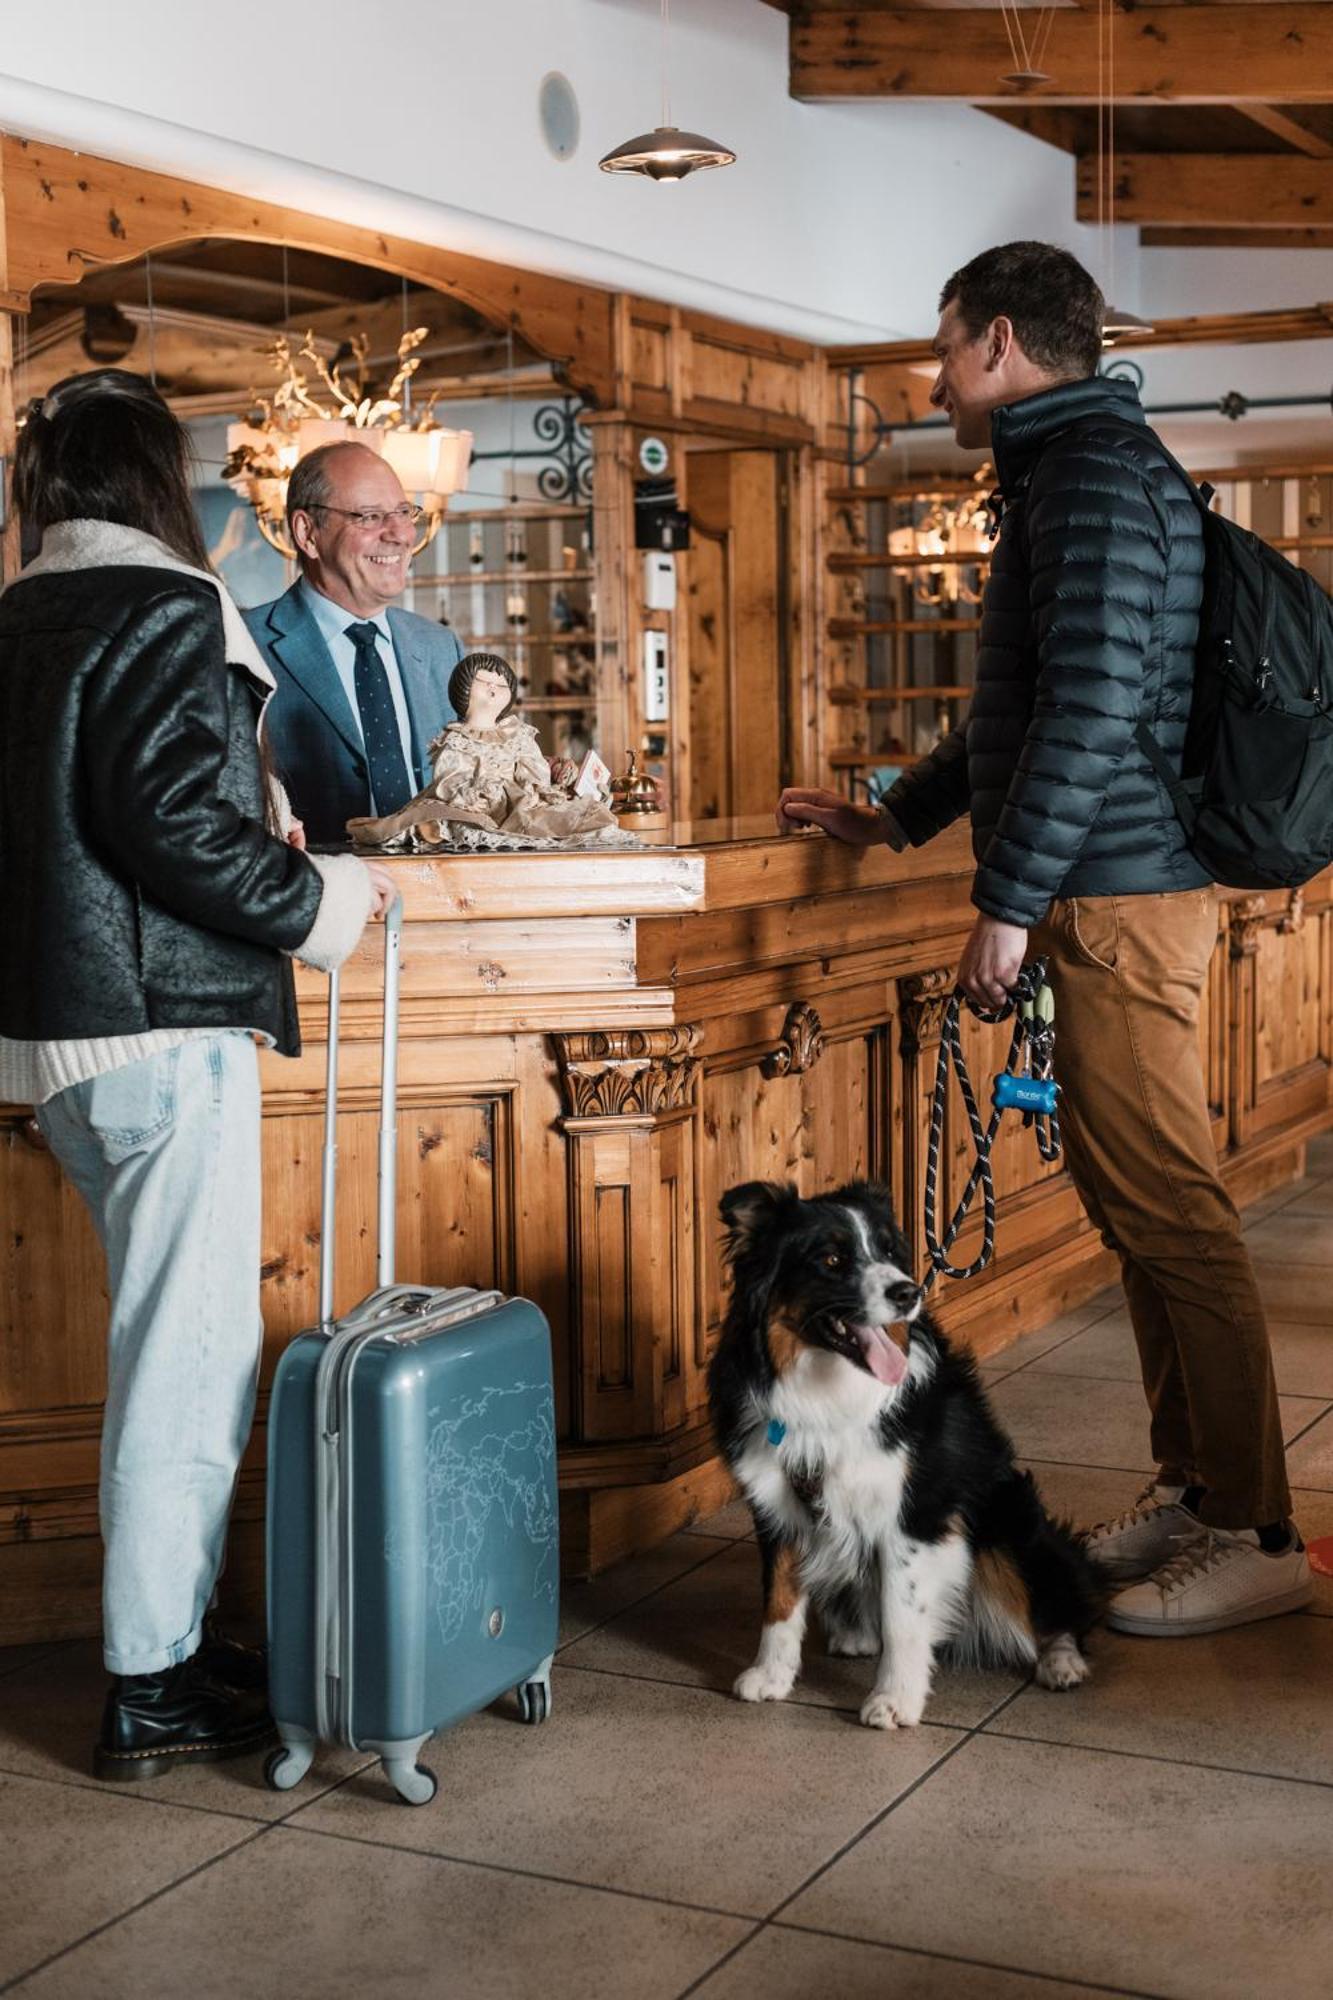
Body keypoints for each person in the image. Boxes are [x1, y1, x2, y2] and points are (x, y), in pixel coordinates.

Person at [778, 241, 1311, 1636]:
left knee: (1178, 1215)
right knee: (1145, 1213)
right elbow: (1020, 715)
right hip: (1110, 886)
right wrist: (896, 820)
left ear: (1002, 340)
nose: (933, 371)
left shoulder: (1086, 479)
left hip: (1117, 898)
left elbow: (1083, 714)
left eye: (944, 345)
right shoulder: (1071, 472)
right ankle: (1200, 1491)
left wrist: (1007, 900)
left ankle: (1256, 1530)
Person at [0, 368, 396, 1778]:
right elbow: (167, 815)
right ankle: (150, 1685)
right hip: (164, 1028)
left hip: (61, 1041)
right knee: (186, 1365)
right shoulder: (166, 603)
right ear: (162, 481)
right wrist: (318, 906)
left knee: (163, 1352)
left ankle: (159, 1647)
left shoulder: (22, 609)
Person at [244, 440, 465, 844]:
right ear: (307, 533)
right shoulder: (241, 647)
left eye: (403, 512)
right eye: (369, 516)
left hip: (442, 898)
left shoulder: (440, 648)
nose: (400, 534)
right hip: (315, 897)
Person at [348, 652, 624, 851]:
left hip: (520, 804)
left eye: (501, 685)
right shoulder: (457, 738)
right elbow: (450, 777)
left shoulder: (518, 734)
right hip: (473, 806)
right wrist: (476, 790)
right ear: (464, 691)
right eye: (484, 683)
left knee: (563, 819)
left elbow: (533, 769)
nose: (494, 689)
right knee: (449, 824)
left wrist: (550, 777)